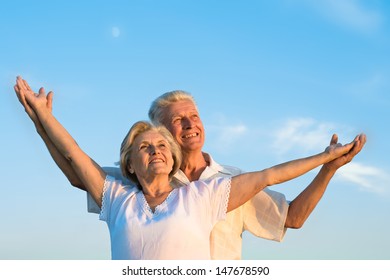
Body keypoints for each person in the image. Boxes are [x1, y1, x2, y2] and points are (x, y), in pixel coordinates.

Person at [14, 77, 365, 259]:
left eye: (194, 116)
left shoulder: (222, 184)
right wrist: (41, 120)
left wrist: (328, 166)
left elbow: (292, 215)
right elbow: (78, 167)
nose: (190, 124)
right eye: (178, 120)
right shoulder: (134, 182)